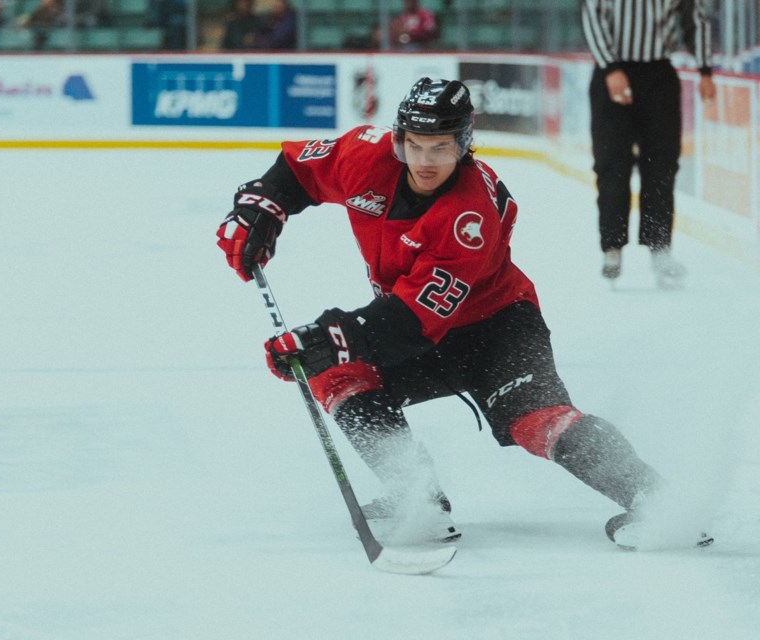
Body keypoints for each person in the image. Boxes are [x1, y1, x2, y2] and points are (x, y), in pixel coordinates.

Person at [216, 77, 710, 549]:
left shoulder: (468, 216)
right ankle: (416, 498)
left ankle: (661, 501)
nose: (426, 160)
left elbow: (408, 324)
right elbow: (299, 169)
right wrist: (261, 210)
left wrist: (326, 338)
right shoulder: (367, 155)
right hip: (416, 321)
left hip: (497, 328)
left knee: (538, 420)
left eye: (442, 147)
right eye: (415, 144)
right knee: (340, 373)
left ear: (464, 143)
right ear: (398, 139)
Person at [581, 0, 717, 288]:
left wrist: (705, 69)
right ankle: (612, 247)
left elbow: (696, 18)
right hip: (612, 73)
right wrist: (610, 68)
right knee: (612, 163)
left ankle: (660, 248)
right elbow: (592, 15)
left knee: (662, 164)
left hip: (658, 76)